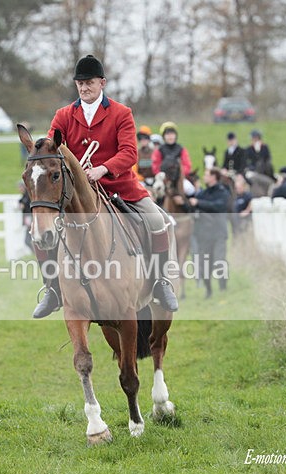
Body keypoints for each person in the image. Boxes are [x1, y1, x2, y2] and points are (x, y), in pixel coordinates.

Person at [33, 54, 179, 318]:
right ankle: (53, 289)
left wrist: (103, 168)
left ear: (102, 82)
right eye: (79, 83)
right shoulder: (64, 116)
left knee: (157, 220)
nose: (84, 88)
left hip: (119, 187)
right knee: (40, 232)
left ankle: (159, 282)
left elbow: (129, 153)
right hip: (77, 195)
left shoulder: (121, 113)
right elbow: (52, 151)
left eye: (89, 82)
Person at [190, 168, 232, 297]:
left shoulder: (222, 192)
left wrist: (199, 203)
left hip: (219, 233)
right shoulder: (203, 193)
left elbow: (219, 206)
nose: (204, 177)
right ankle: (209, 290)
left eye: (206, 175)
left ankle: (223, 287)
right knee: (204, 264)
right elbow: (192, 205)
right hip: (204, 234)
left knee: (219, 260)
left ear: (214, 177)